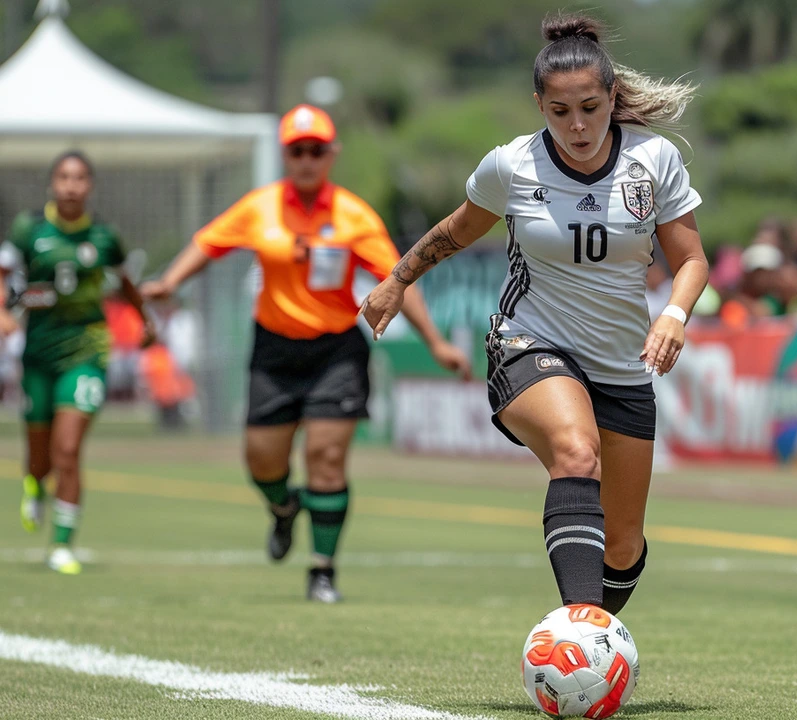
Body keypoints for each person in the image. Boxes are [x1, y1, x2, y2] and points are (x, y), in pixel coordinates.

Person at [359, 14, 707, 616]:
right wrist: (397, 279)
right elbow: (454, 230)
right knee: (576, 452)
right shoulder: (512, 165)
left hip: (623, 366)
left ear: (613, 98)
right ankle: (577, 629)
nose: (577, 126)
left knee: (621, 546)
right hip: (530, 342)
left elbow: (693, 259)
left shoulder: (655, 160)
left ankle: (592, 640)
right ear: (539, 105)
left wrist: (674, 313)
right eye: (560, 111)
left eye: (592, 108)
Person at [141, 105, 471, 603]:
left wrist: (436, 343)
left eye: (317, 150)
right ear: (285, 155)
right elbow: (208, 244)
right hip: (273, 350)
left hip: (335, 351)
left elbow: (398, 280)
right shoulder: (261, 207)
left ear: (332, 153)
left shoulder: (354, 215)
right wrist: (168, 282)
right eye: (298, 151)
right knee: (262, 462)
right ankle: (282, 508)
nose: (307, 160)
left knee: (326, 457)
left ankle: (323, 570)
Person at [3, 150, 155, 574]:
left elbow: (126, 283)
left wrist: (147, 320)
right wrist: (4, 312)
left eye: (80, 178)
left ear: (90, 186)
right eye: (64, 177)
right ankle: (34, 484)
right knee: (41, 456)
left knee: (67, 449)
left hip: (86, 353)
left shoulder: (104, 236)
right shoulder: (28, 229)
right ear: (53, 183)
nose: (71, 185)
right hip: (37, 356)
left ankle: (62, 545)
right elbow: (4, 274)